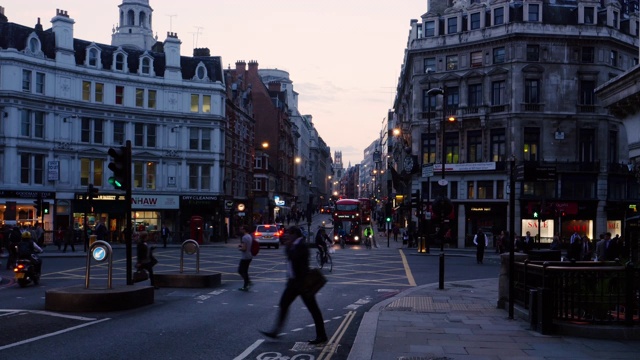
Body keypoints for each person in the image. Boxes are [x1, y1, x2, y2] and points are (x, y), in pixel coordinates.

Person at [260, 226, 328, 345]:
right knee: (283, 304)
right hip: (293, 284)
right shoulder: (293, 245)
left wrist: (289, 247)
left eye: (289, 234)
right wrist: (289, 246)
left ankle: (322, 335)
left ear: (295, 234)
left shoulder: (301, 245)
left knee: (314, 310)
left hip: (302, 284)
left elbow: (296, 259)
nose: (286, 236)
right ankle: (275, 331)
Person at [237, 225, 253, 291]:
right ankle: (247, 284)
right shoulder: (249, 236)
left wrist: (240, 248)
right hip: (249, 255)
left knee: (241, 271)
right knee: (245, 271)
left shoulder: (244, 237)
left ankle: (247, 283)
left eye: (241, 229)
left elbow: (244, 248)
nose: (240, 230)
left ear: (244, 230)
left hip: (245, 256)